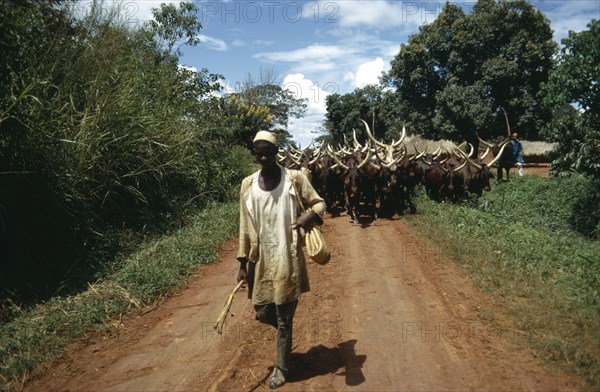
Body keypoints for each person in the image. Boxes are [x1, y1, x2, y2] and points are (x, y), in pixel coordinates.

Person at [236, 130, 326, 389]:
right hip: (261, 258)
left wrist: (309, 216)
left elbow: (319, 204)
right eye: (258, 152)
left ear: (277, 153)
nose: (262, 156)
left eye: (267, 152)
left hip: (288, 257)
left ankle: (281, 367)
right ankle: (285, 331)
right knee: (262, 311)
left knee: (284, 317)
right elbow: (244, 225)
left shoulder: (294, 179)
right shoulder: (247, 184)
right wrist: (243, 264)